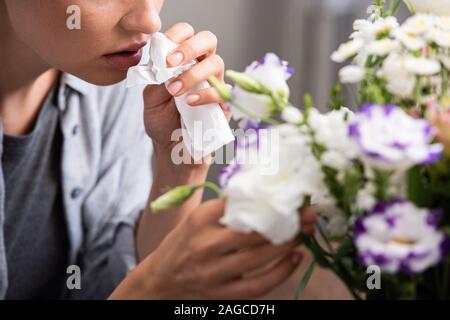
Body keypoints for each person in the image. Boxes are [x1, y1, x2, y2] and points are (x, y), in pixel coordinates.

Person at [0, 0, 316, 300]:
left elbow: (102, 285)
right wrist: (151, 287)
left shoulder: (111, 85)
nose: (151, 20)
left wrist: (182, 164)